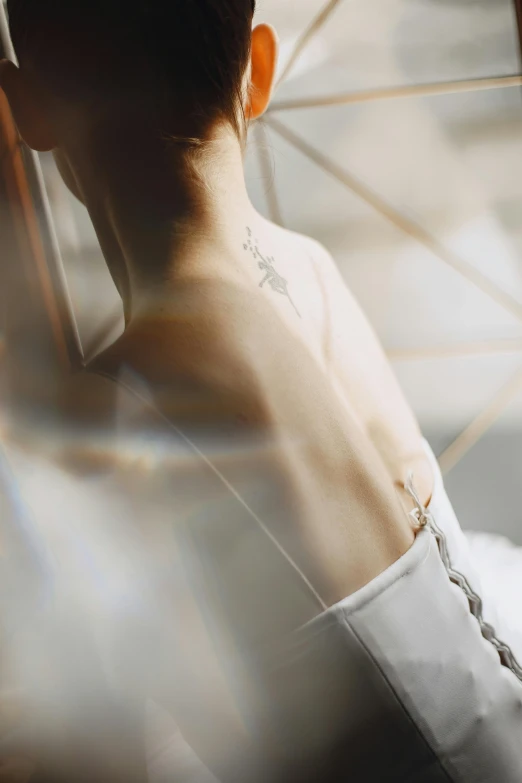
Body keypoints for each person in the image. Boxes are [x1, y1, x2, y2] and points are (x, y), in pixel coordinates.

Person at [1, 2, 522, 781]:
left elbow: (95, 752)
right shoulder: (311, 270)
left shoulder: (102, 417)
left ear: (27, 108)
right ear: (260, 71)